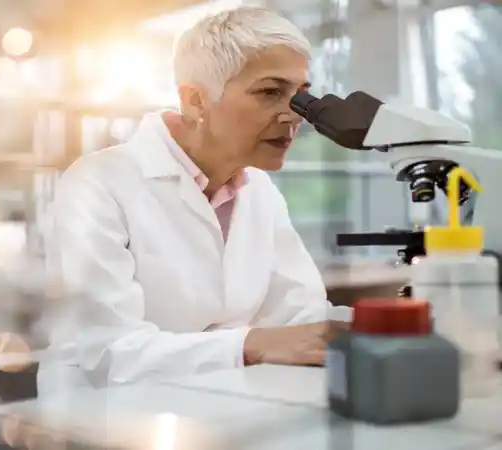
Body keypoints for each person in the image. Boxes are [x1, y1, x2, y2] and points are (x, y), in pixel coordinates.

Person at [39, 6, 346, 395]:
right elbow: (109, 353)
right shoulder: (97, 183)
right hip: (96, 419)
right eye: (270, 92)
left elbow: (299, 319)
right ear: (196, 100)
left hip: (219, 409)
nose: (294, 116)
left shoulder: (260, 191)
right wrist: (249, 344)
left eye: (301, 96)